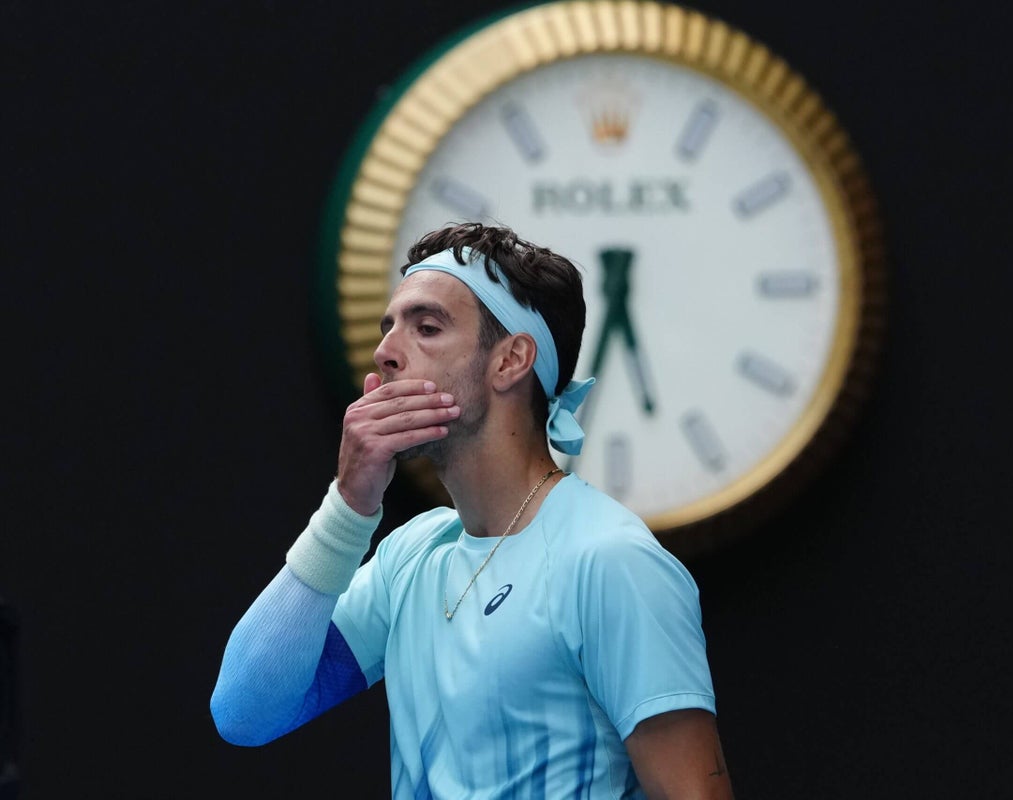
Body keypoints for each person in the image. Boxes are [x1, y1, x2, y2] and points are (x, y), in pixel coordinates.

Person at [210, 222, 733, 799]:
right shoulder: (411, 555)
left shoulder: (610, 560)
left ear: (511, 361)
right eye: (389, 329)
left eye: (426, 328)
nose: (385, 353)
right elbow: (244, 711)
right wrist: (349, 506)